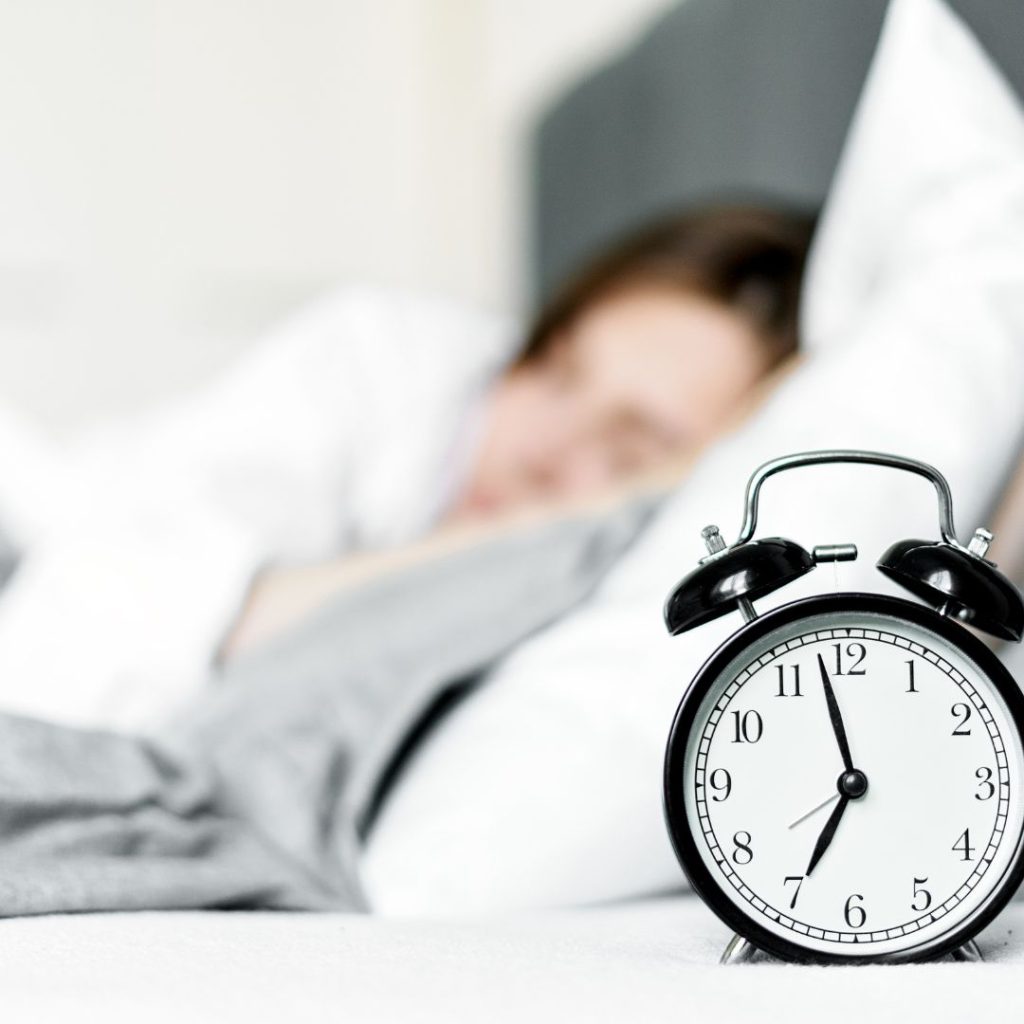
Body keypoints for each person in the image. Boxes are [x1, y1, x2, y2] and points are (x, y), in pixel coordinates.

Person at [0, 205, 812, 730]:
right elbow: (101, 639)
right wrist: (538, 528)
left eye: (627, 450)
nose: (540, 449)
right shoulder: (374, 357)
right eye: (555, 371)